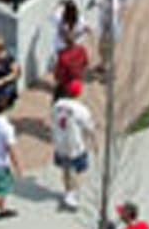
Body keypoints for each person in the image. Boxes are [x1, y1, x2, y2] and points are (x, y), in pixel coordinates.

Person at [50, 80, 95, 212]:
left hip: (60, 143)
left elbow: (53, 119)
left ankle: (67, 191)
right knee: (79, 170)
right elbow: (89, 127)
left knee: (65, 168)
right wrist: (93, 140)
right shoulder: (81, 109)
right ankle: (72, 195)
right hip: (75, 144)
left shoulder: (57, 105)